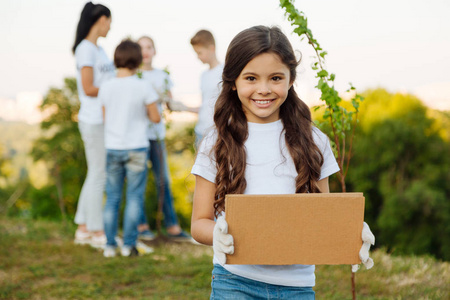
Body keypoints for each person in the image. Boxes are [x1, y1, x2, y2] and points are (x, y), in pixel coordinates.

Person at [190, 26, 375, 299]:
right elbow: (199, 223)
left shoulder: (314, 141)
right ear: (232, 81)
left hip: (297, 287)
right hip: (234, 282)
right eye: (251, 78)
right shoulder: (216, 141)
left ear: (290, 79)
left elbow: (323, 217)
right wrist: (217, 233)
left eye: (275, 78)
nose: (263, 89)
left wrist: (351, 233)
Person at [99, 39, 161, 257]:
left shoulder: (106, 86)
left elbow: (105, 118)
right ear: (137, 61)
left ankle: (109, 246)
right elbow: (155, 117)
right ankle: (128, 245)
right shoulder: (143, 86)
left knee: (113, 197)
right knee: (134, 197)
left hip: (113, 147)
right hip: (137, 147)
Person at [136, 36, 191, 241]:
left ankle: (173, 227)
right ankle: (141, 226)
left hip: (157, 135)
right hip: (139, 136)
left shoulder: (162, 75)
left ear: (155, 50)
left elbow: (170, 102)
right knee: (139, 181)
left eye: (149, 47)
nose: (145, 51)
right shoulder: (135, 75)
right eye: (141, 48)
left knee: (163, 181)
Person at [72, 2, 115, 248]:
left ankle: (83, 227)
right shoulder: (85, 49)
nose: (110, 27)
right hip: (92, 120)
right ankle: (98, 231)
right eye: (109, 21)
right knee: (99, 174)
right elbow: (89, 88)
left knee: (95, 172)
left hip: (102, 120)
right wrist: (114, 90)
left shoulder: (99, 50)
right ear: (101, 20)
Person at [190, 30, 224, 147]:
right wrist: (183, 107)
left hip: (217, 133)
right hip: (200, 131)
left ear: (211, 48)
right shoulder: (203, 75)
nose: (198, 57)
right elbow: (205, 106)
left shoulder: (224, 72)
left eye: (200, 52)